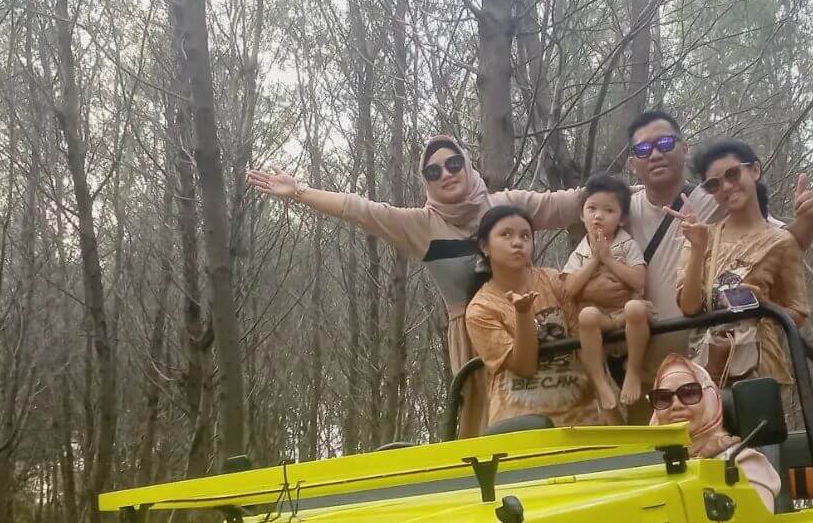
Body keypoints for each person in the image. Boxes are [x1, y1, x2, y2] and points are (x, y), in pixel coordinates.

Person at [247, 137, 583, 434]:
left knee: (562, 405)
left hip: (539, 318)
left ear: (467, 166)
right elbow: (359, 209)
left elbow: (573, 204)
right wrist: (299, 192)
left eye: (453, 164)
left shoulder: (506, 205)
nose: (446, 174)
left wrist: (631, 194)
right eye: (433, 172)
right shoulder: (422, 226)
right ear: (426, 182)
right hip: (475, 333)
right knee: (489, 425)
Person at [622, 108, 813, 345]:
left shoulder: (711, 199)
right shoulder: (618, 208)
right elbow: (689, 305)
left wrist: (808, 218)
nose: (725, 187)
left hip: (749, 363)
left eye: (665, 143)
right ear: (632, 163)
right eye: (643, 149)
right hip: (669, 367)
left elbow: (781, 241)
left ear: (684, 149)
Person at [676, 139, 808, 409]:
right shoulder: (703, 235)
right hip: (708, 369)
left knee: (759, 450)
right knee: (709, 449)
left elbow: (798, 313)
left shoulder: (782, 242)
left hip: (759, 370)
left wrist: (763, 305)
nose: (725, 187)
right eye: (714, 184)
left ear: (755, 171)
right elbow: (689, 307)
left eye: (732, 174)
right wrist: (699, 249)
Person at [464, 205, 602, 430]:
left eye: (525, 236)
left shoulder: (552, 279)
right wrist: (523, 313)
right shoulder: (481, 308)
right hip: (520, 419)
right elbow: (524, 366)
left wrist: (604, 394)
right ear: (484, 246)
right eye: (505, 234)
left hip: (580, 412)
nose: (517, 242)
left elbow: (582, 342)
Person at [561, 173, 652, 412]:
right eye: (591, 208)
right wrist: (594, 260)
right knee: (586, 316)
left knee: (636, 307)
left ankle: (633, 370)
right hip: (601, 321)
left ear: (622, 218)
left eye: (609, 210)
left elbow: (638, 281)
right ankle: (600, 382)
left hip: (626, 315)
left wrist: (609, 260)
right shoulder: (580, 252)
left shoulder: (628, 244)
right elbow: (569, 289)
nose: (598, 215)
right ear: (582, 214)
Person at [647, 354, 782, 513]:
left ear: (710, 399)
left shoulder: (741, 462)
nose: (676, 405)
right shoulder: (643, 469)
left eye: (689, 393)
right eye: (663, 398)